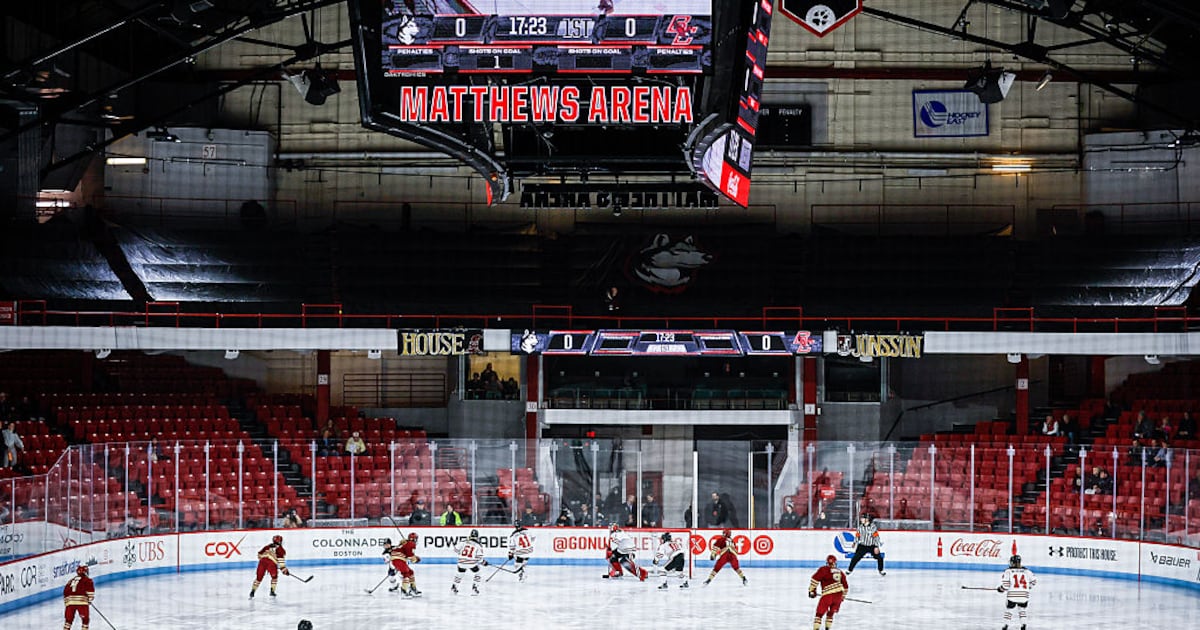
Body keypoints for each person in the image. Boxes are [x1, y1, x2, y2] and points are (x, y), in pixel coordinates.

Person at [808, 555, 849, 630]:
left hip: (827, 596)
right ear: (835, 562)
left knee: (819, 614)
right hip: (838, 596)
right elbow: (846, 586)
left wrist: (812, 590)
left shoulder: (823, 569)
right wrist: (842, 597)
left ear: (827, 562)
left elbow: (814, 580)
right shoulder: (840, 572)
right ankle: (827, 628)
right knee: (830, 614)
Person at [997, 554, 1037, 630]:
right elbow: (1034, 581)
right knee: (1022, 610)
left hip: (1012, 596)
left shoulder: (1008, 571)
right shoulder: (1027, 571)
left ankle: (1005, 625)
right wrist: (1027, 588)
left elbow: (1006, 585)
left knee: (1009, 610)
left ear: (1013, 562)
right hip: (1024, 596)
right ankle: (1023, 625)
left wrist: (1001, 589)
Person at [451, 529, 489, 594]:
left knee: (460, 574)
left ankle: (454, 587)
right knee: (478, 573)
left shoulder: (464, 542)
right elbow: (479, 557)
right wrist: (484, 562)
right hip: (471, 563)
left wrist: (461, 554)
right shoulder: (478, 545)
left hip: (461, 561)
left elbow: (455, 549)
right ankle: (475, 588)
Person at [384, 533, 421, 597]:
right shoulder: (411, 544)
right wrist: (416, 559)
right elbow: (410, 556)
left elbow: (404, 551)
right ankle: (404, 592)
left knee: (411, 572)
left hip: (399, 559)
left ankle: (413, 589)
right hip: (398, 559)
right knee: (406, 574)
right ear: (414, 539)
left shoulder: (406, 543)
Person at [63, 564, 95, 630]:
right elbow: (91, 594)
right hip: (81, 602)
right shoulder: (88, 580)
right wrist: (89, 600)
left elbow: (65, 592)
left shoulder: (71, 580)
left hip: (69, 602)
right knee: (85, 620)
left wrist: (67, 602)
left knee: (68, 621)